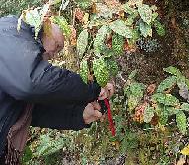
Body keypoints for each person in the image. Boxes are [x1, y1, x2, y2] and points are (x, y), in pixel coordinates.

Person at [0, 15, 114, 164]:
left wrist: (79, 115)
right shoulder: (10, 29)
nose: (54, 54)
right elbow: (31, 82)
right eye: (58, 46)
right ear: (47, 22)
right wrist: (94, 88)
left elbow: (31, 112)